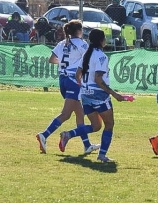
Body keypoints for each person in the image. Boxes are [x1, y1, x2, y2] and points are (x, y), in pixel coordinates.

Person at [58, 29, 125, 162]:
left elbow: (78, 74)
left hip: (86, 94)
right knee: (109, 124)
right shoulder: (101, 56)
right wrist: (115, 94)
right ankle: (102, 155)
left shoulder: (86, 54)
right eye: (104, 38)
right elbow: (98, 79)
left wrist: (83, 86)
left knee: (96, 126)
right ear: (101, 41)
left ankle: (68, 134)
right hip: (98, 95)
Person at [36, 20, 99, 154]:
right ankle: (44, 135)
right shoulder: (82, 44)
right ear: (78, 31)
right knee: (65, 114)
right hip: (73, 81)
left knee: (79, 113)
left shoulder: (62, 43)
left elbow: (52, 59)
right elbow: (89, 59)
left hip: (63, 80)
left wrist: (66, 63)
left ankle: (87, 145)